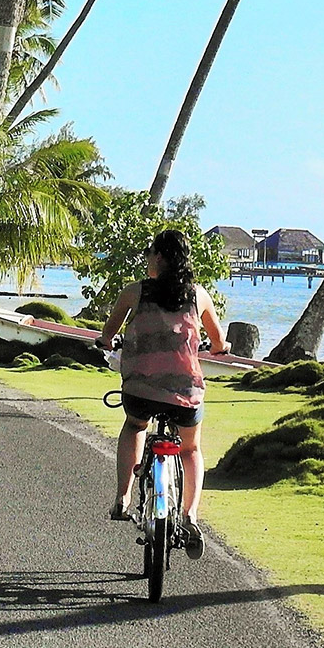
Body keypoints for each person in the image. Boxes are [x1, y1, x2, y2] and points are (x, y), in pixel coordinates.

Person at [96, 228, 225, 554]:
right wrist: (219, 349)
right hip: (186, 392)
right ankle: (190, 515)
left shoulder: (134, 292)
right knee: (190, 450)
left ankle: (123, 496)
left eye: (150, 253)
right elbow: (220, 342)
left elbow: (108, 334)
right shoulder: (200, 295)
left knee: (136, 425)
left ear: (160, 258)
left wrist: (107, 342)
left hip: (140, 389)